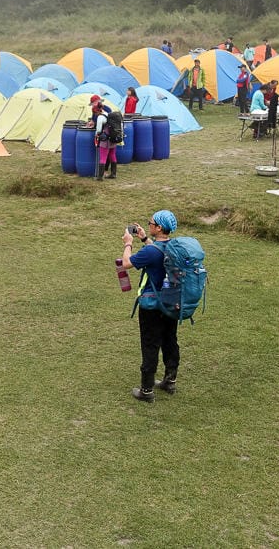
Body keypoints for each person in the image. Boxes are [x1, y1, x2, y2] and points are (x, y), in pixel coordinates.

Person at [120, 209, 183, 403]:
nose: (148, 225)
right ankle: (169, 380)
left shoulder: (150, 252)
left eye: (151, 223)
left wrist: (129, 243)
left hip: (152, 306)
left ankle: (146, 390)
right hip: (172, 303)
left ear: (159, 227)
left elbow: (126, 263)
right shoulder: (175, 247)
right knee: (169, 340)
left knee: (150, 344)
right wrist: (145, 238)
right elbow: (159, 254)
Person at [94, 100, 120, 180]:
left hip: (105, 140)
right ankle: (113, 174)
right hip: (113, 138)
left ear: (97, 111)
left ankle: (100, 176)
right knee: (112, 155)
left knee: (103, 157)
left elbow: (98, 130)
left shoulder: (101, 117)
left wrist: (97, 134)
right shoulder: (109, 114)